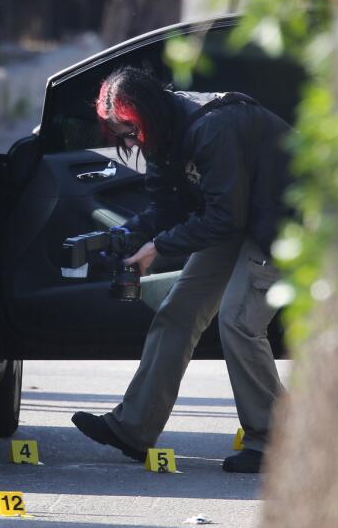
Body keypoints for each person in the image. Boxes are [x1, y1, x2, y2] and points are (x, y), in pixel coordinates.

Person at [71, 66, 293, 474]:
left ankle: (275, 439)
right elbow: (168, 207)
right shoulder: (162, 134)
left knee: (239, 321)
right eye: (119, 135)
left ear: (148, 113)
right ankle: (133, 429)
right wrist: (128, 234)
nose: (128, 142)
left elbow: (225, 217)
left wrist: (158, 246)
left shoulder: (213, 127)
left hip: (286, 222)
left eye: (130, 131)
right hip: (242, 218)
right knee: (178, 311)